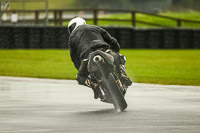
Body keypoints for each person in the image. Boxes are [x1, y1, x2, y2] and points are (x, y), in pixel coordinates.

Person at [68, 17, 132, 99]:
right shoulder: (94, 27)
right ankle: (122, 75)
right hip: (103, 50)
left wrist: (80, 69)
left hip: (87, 57)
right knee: (120, 57)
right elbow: (112, 41)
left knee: (79, 77)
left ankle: (94, 85)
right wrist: (115, 51)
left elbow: (74, 56)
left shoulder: (72, 37)